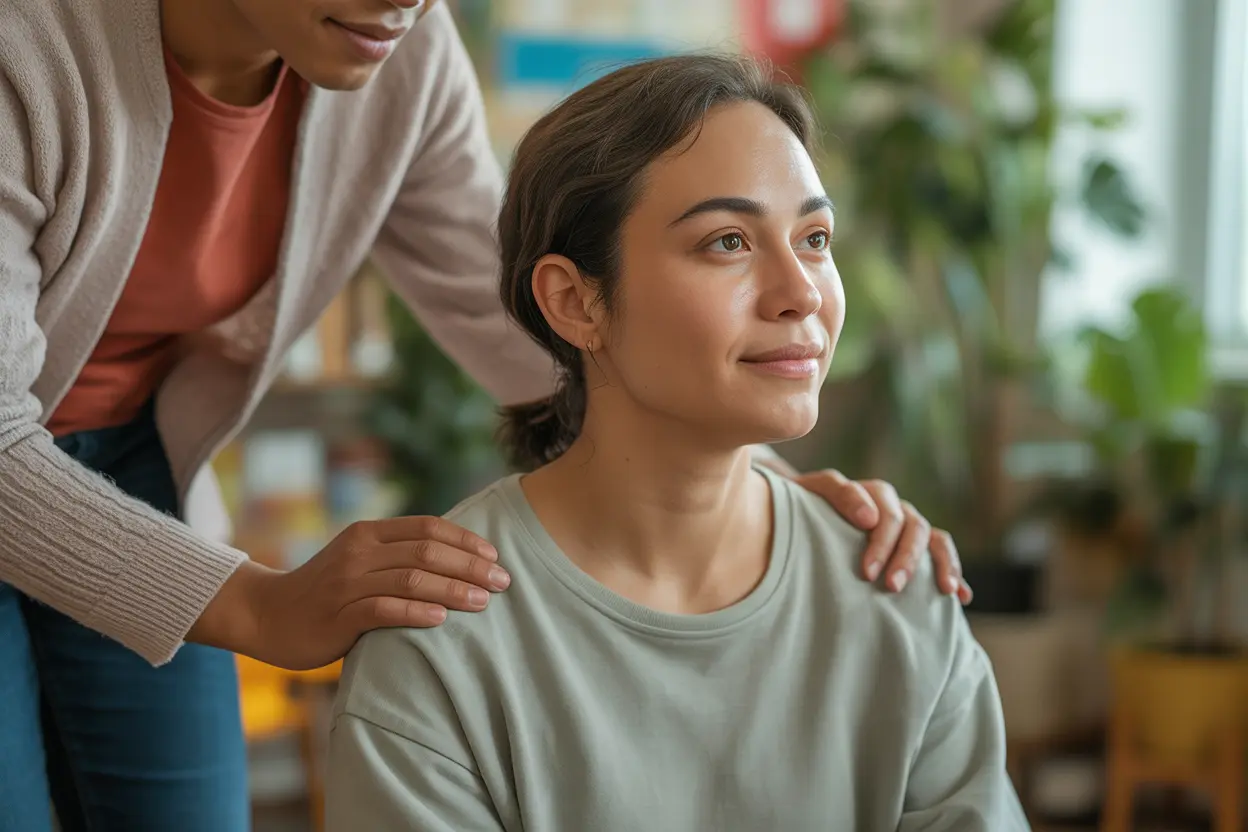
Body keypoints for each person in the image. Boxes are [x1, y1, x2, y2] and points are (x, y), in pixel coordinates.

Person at [0, 2, 970, 830]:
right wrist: (259, 603)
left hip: (137, 460)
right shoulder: (28, 46)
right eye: (726, 238)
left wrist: (758, 488)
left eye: (814, 238)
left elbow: (520, 305)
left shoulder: (389, 46)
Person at [326, 53, 1026, 831]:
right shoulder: (439, 644)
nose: (801, 294)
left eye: (816, 238)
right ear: (575, 301)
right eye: (727, 242)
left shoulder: (898, 593)